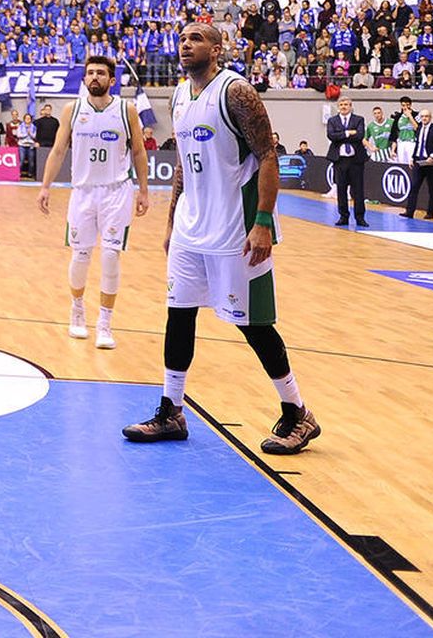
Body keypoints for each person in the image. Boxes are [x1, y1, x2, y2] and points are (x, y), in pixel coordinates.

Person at [123, 22, 319, 456]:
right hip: (193, 228)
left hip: (237, 226)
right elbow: (184, 165)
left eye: (196, 39)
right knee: (179, 314)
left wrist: (264, 220)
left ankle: (297, 412)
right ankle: (172, 410)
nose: (185, 45)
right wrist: (173, 221)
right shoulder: (178, 95)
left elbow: (269, 154)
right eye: (182, 39)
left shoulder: (236, 92)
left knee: (253, 324)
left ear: (216, 48)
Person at [35, 54, 150, 349]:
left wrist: (144, 190)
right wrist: (45, 186)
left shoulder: (127, 110)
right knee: (81, 256)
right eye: (90, 73)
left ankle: (105, 323)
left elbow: (138, 152)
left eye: (100, 73)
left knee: (111, 256)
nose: (94, 77)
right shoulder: (72, 110)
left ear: (112, 80)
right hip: (83, 192)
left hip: (117, 191)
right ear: (84, 79)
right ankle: (77, 311)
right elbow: (59, 150)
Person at [326, 97, 368, 227]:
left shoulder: (359, 119)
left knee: (358, 190)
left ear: (351, 106)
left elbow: (360, 135)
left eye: (346, 104)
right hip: (340, 160)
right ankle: (343, 216)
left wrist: (341, 136)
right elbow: (331, 136)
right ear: (338, 106)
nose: (344, 107)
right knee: (341, 189)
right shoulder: (332, 120)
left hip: (355, 160)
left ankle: (360, 217)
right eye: (341, 104)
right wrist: (348, 133)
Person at [403, 109, 433, 220]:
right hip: (419, 160)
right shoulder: (419, 129)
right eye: (422, 116)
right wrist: (413, 158)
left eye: (426, 116)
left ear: (430, 117)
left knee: (432, 187)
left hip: (431, 162)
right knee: (414, 186)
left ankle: (430, 212)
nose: (424, 118)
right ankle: (409, 211)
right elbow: (418, 145)